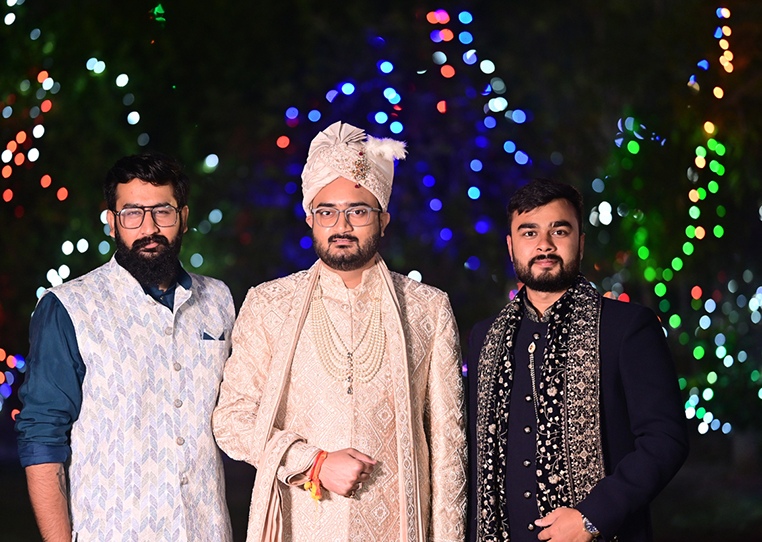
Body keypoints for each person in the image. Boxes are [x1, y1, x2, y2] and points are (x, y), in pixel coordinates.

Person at [212, 121, 467, 542]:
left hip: (397, 529)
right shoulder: (269, 304)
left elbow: (448, 450)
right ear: (310, 218)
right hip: (303, 523)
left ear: (383, 220)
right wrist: (312, 461)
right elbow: (232, 420)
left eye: (358, 211)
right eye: (327, 211)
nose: (341, 224)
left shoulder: (428, 308)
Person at [15, 152, 235, 541]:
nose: (148, 227)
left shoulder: (218, 300)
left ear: (183, 216)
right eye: (132, 213)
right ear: (112, 222)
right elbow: (42, 437)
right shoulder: (68, 307)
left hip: (206, 530)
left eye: (162, 211)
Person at [467, 178, 688, 541]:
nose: (544, 245)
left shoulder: (626, 328)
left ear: (581, 244)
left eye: (560, 230)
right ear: (510, 247)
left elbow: (665, 439)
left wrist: (593, 516)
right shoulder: (484, 337)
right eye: (529, 233)